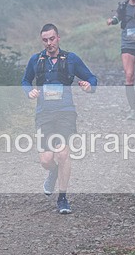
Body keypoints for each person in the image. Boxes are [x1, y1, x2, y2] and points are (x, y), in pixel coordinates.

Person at [21, 23, 97, 214]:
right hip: (44, 114)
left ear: (58, 38)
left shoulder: (71, 59)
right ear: (42, 41)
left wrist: (88, 86)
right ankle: (53, 172)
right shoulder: (35, 60)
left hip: (65, 112)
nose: (49, 43)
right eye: (45, 40)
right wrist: (29, 91)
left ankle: (62, 198)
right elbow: (25, 80)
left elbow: (91, 78)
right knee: (46, 160)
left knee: (62, 153)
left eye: (52, 39)